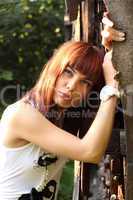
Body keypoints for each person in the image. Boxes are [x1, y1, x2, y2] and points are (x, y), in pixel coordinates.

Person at [0, 16, 125, 200]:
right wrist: (111, 89)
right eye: (68, 72)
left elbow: (104, 84)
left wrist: (111, 50)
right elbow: (90, 152)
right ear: (54, 68)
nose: (72, 86)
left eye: (85, 82)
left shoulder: (62, 115)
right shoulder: (22, 114)